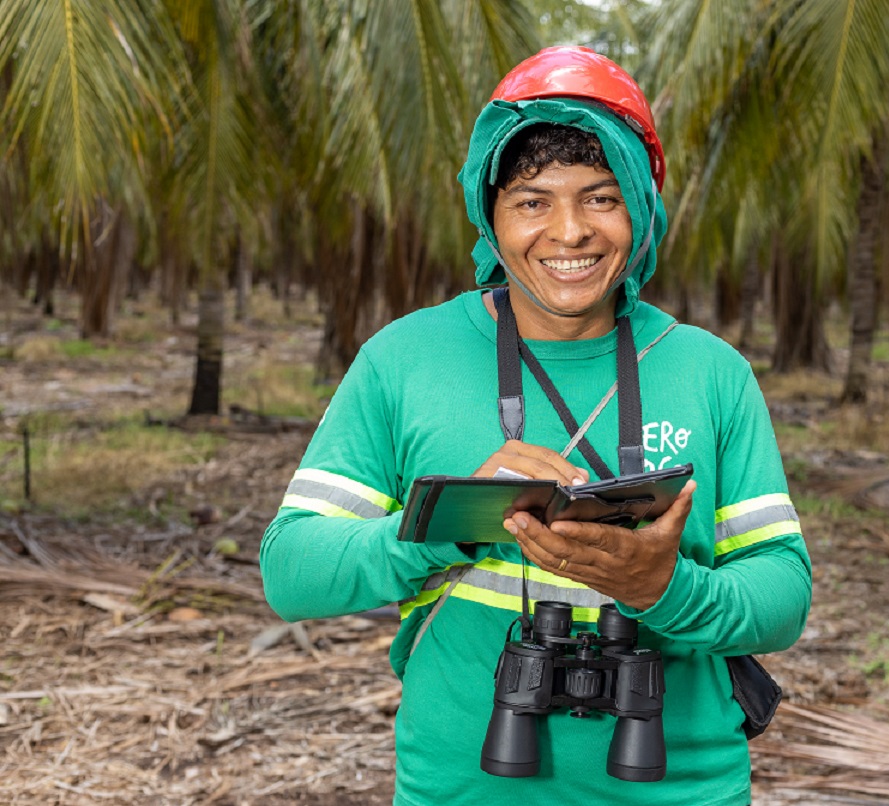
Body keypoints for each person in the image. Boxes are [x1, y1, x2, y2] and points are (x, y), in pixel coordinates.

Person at [260, 46, 812, 805]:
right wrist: (450, 521)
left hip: (682, 786)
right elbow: (292, 572)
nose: (568, 232)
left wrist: (662, 588)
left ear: (642, 209)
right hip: (463, 786)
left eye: (601, 197)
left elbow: (781, 593)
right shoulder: (405, 358)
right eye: (531, 201)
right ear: (487, 214)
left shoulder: (708, 371)